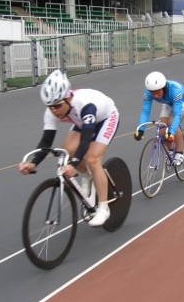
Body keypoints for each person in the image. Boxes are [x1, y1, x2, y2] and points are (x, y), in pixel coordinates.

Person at [18, 69, 119, 227]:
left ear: (68, 98)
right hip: (82, 121)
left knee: (92, 159)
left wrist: (73, 164)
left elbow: (86, 139)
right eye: (50, 106)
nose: (54, 110)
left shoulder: (85, 105)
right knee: (68, 151)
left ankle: (103, 208)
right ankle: (88, 176)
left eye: (57, 106)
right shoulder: (53, 110)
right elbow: (46, 141)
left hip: (105, 118)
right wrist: (33, 163)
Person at [134, 71, 184, 166]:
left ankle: (179, 152)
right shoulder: (148, 93)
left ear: (163, 88)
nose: (156, 96)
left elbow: (177, 114)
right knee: (161, 129)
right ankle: (171, 151)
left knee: (171, 122)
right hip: (168, 103)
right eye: (153, 93)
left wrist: (171, 132)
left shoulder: (175, 90)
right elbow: (145, 111)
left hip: (183, 102)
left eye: (158, 92)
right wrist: (141, 130)